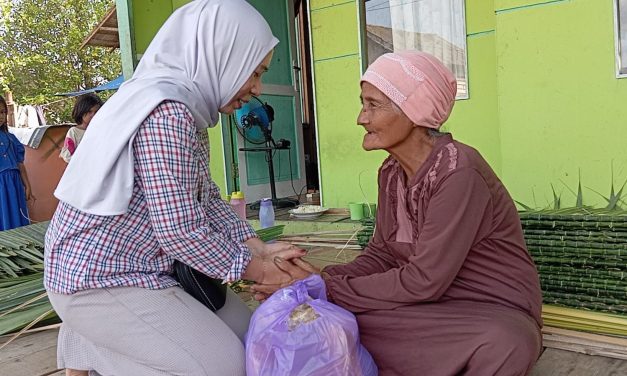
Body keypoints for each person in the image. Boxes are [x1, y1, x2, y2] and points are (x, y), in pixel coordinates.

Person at [44, 1, 303, 375]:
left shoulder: (187, 107)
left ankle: (95, 341)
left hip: (145, 266)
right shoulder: (167, 114)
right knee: (221, 367)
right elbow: (181, 232)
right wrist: (262, 271)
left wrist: (259, 249)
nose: (257, 88)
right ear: (222, 56)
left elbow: (207, 198)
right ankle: (97, 343)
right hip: (100, 277)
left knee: (250, 337)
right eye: (254, 72)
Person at [252, 51, 543, 376]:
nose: (361, 118)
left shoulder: (458, 172)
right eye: (363, 104)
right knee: (337, 315)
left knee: (506, 342)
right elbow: (382, 254)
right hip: (426, 308)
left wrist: (327, 288)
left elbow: (424, 281)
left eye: (372, 105)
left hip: (485, 310)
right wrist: (318, 282)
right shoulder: (391, 172)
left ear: (413, 109)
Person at [0, 95, 33, 230]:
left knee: (16, 215)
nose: (1, 116)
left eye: (3, 112)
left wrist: (27, 185)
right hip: (1, 186)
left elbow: (20, 164)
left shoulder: (11, 138)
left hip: (14, 184)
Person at [59, 93, 103, 163]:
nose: (93, 115)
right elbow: (68, 156)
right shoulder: (74, 132)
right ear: (81, 111)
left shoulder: (101, 130)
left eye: (96, 111)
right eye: (89, 112)